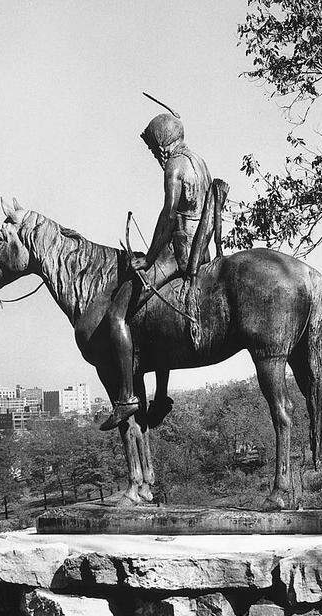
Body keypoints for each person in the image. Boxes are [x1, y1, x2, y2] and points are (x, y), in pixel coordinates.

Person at [100, 112, 213, 431]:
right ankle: (161, 396)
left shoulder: (175, 166)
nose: (154, 156)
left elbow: (168, 216)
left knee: (117, 314)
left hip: (180, 251)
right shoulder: (198, 162)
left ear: (162, 144)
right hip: (201, 247)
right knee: (152, 316)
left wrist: (148, 259)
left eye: (153, 149)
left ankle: (126, 398)